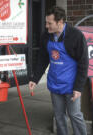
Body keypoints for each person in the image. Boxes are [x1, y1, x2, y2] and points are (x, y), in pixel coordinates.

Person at [29, 6, 88, 135]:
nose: (46, 26)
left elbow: (84, 64)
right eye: (46, 22)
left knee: (74, 115)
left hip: (71, 85)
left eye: (49, 23)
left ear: (60, 22)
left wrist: (78, 88)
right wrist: (35, 78)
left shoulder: (76, 35)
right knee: (59, 116)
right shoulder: (46, 36)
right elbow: (43, 59)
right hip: (55, 84)